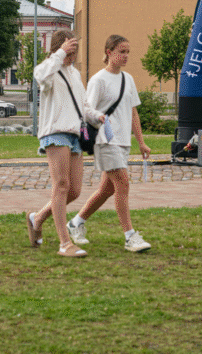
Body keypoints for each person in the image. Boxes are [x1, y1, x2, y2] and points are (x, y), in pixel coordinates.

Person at [67, 35, 152, 253]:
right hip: (105, 141)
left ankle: (75, 223)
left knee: (106, 190)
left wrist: (141, 142)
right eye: (122, 51)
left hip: (123, 142)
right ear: (109, 52)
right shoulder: (99, 80)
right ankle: (130, 236)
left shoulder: (128, 79)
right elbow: (86, 109)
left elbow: (133, 112)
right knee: (123, 183)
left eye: (128, 52)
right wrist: (99, 118)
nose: (126, 56)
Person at [24, 30, 104, 258]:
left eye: (74, 51)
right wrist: (59, 54)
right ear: (59, 48)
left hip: (75, 135)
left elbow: (83, 106)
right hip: (55, 132)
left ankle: (38, 217)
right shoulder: (49, 69)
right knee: (61, 185)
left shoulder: (74, 74)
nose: (72, 56)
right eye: (69, 50)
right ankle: (64, 243)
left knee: (74, 190)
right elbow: (40, 76)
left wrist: (97, 116)